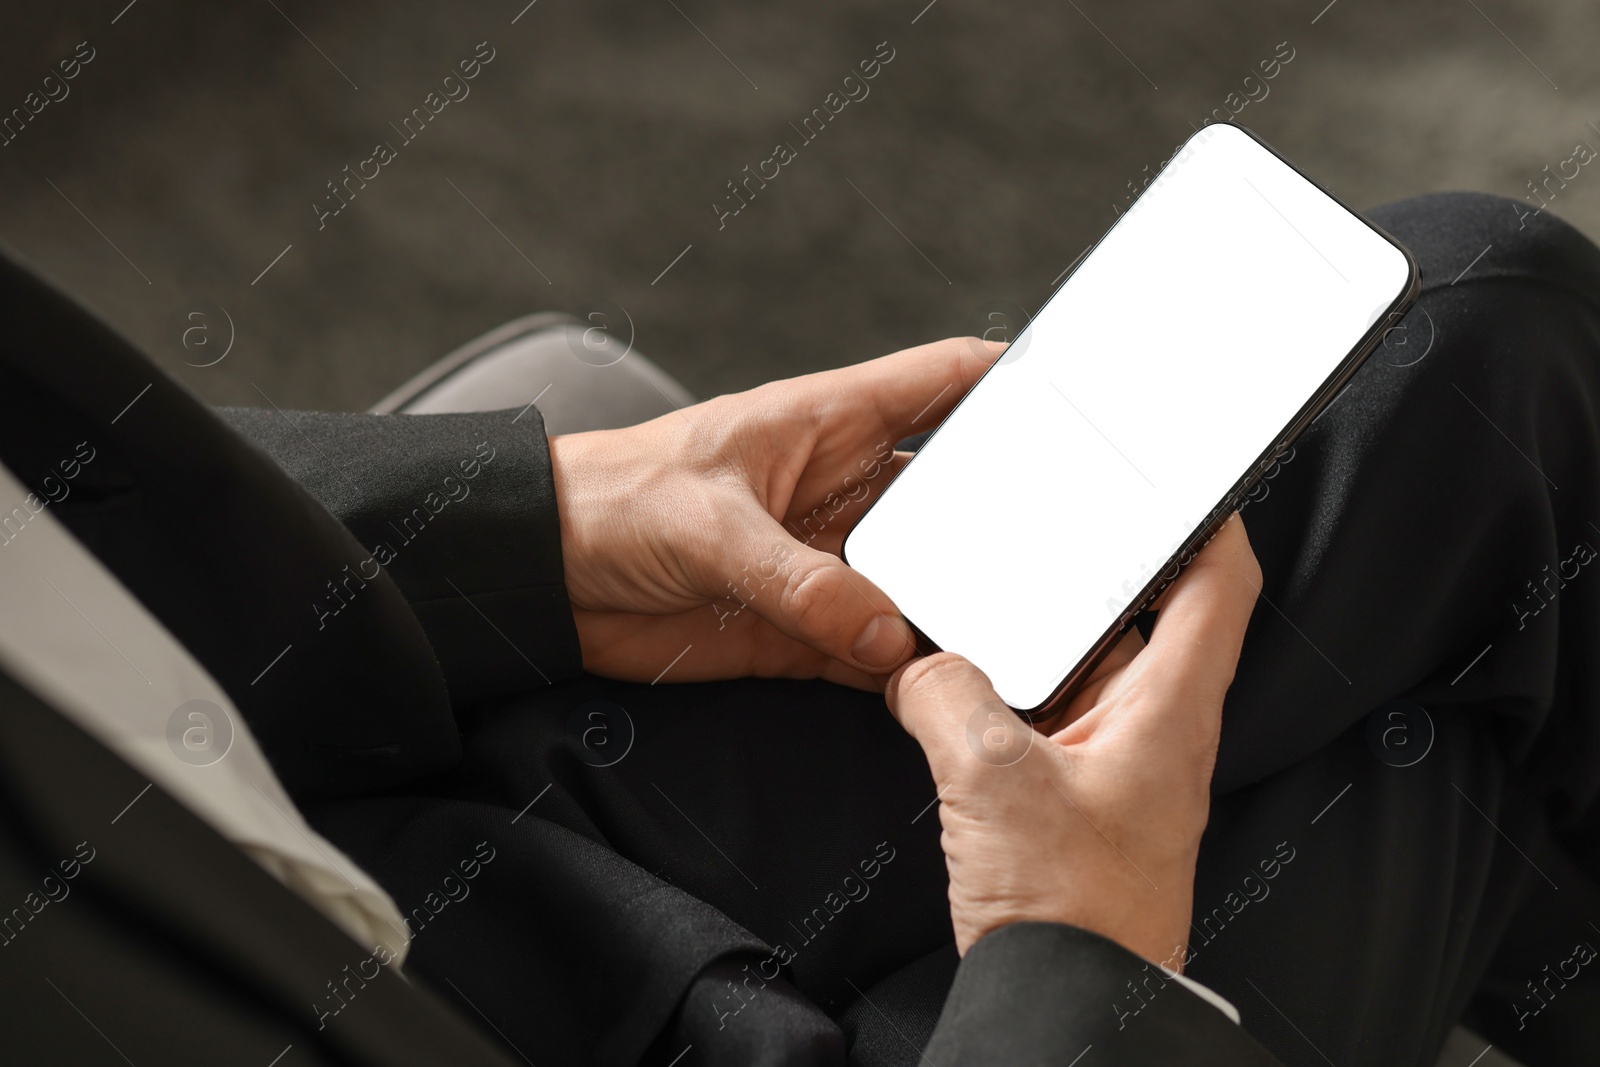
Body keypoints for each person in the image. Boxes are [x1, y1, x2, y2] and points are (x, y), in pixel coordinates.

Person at [1, 189, 1598, 1067]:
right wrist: (1078, 967)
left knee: (1479, 325)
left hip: (416, 806)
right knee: (1443, 731)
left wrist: (550, 520)